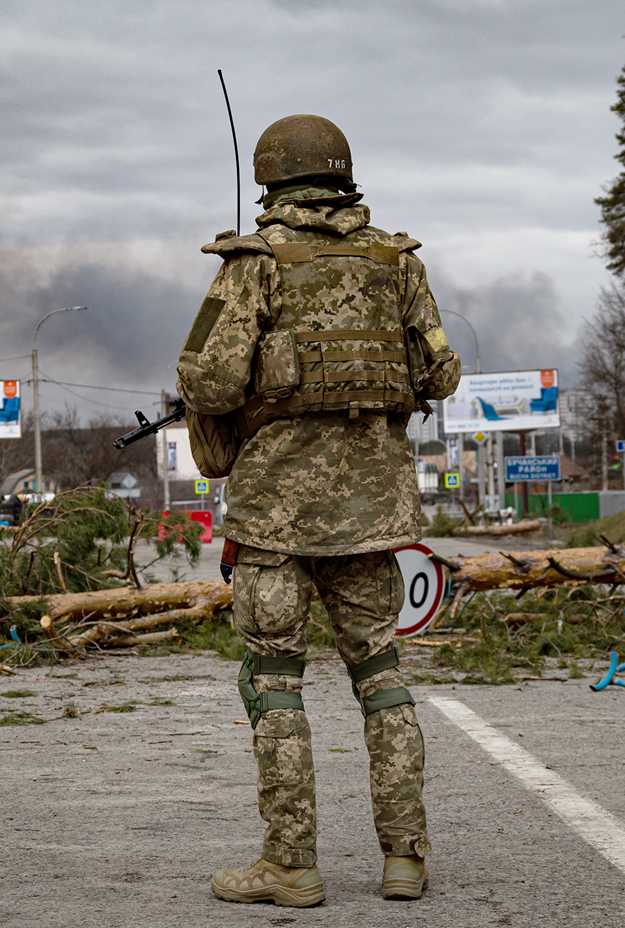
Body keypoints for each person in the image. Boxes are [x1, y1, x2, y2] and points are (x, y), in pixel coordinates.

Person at [176, 113, 461, 907]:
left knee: (274, 681)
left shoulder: (253, 264)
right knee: (382, 677)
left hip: (273, 515)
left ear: (271, 180)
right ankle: (405, 857)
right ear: (343, 177)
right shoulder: (398, 263)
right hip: (374, 511)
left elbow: (208, 383)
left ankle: (291, 865)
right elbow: (440, 374)